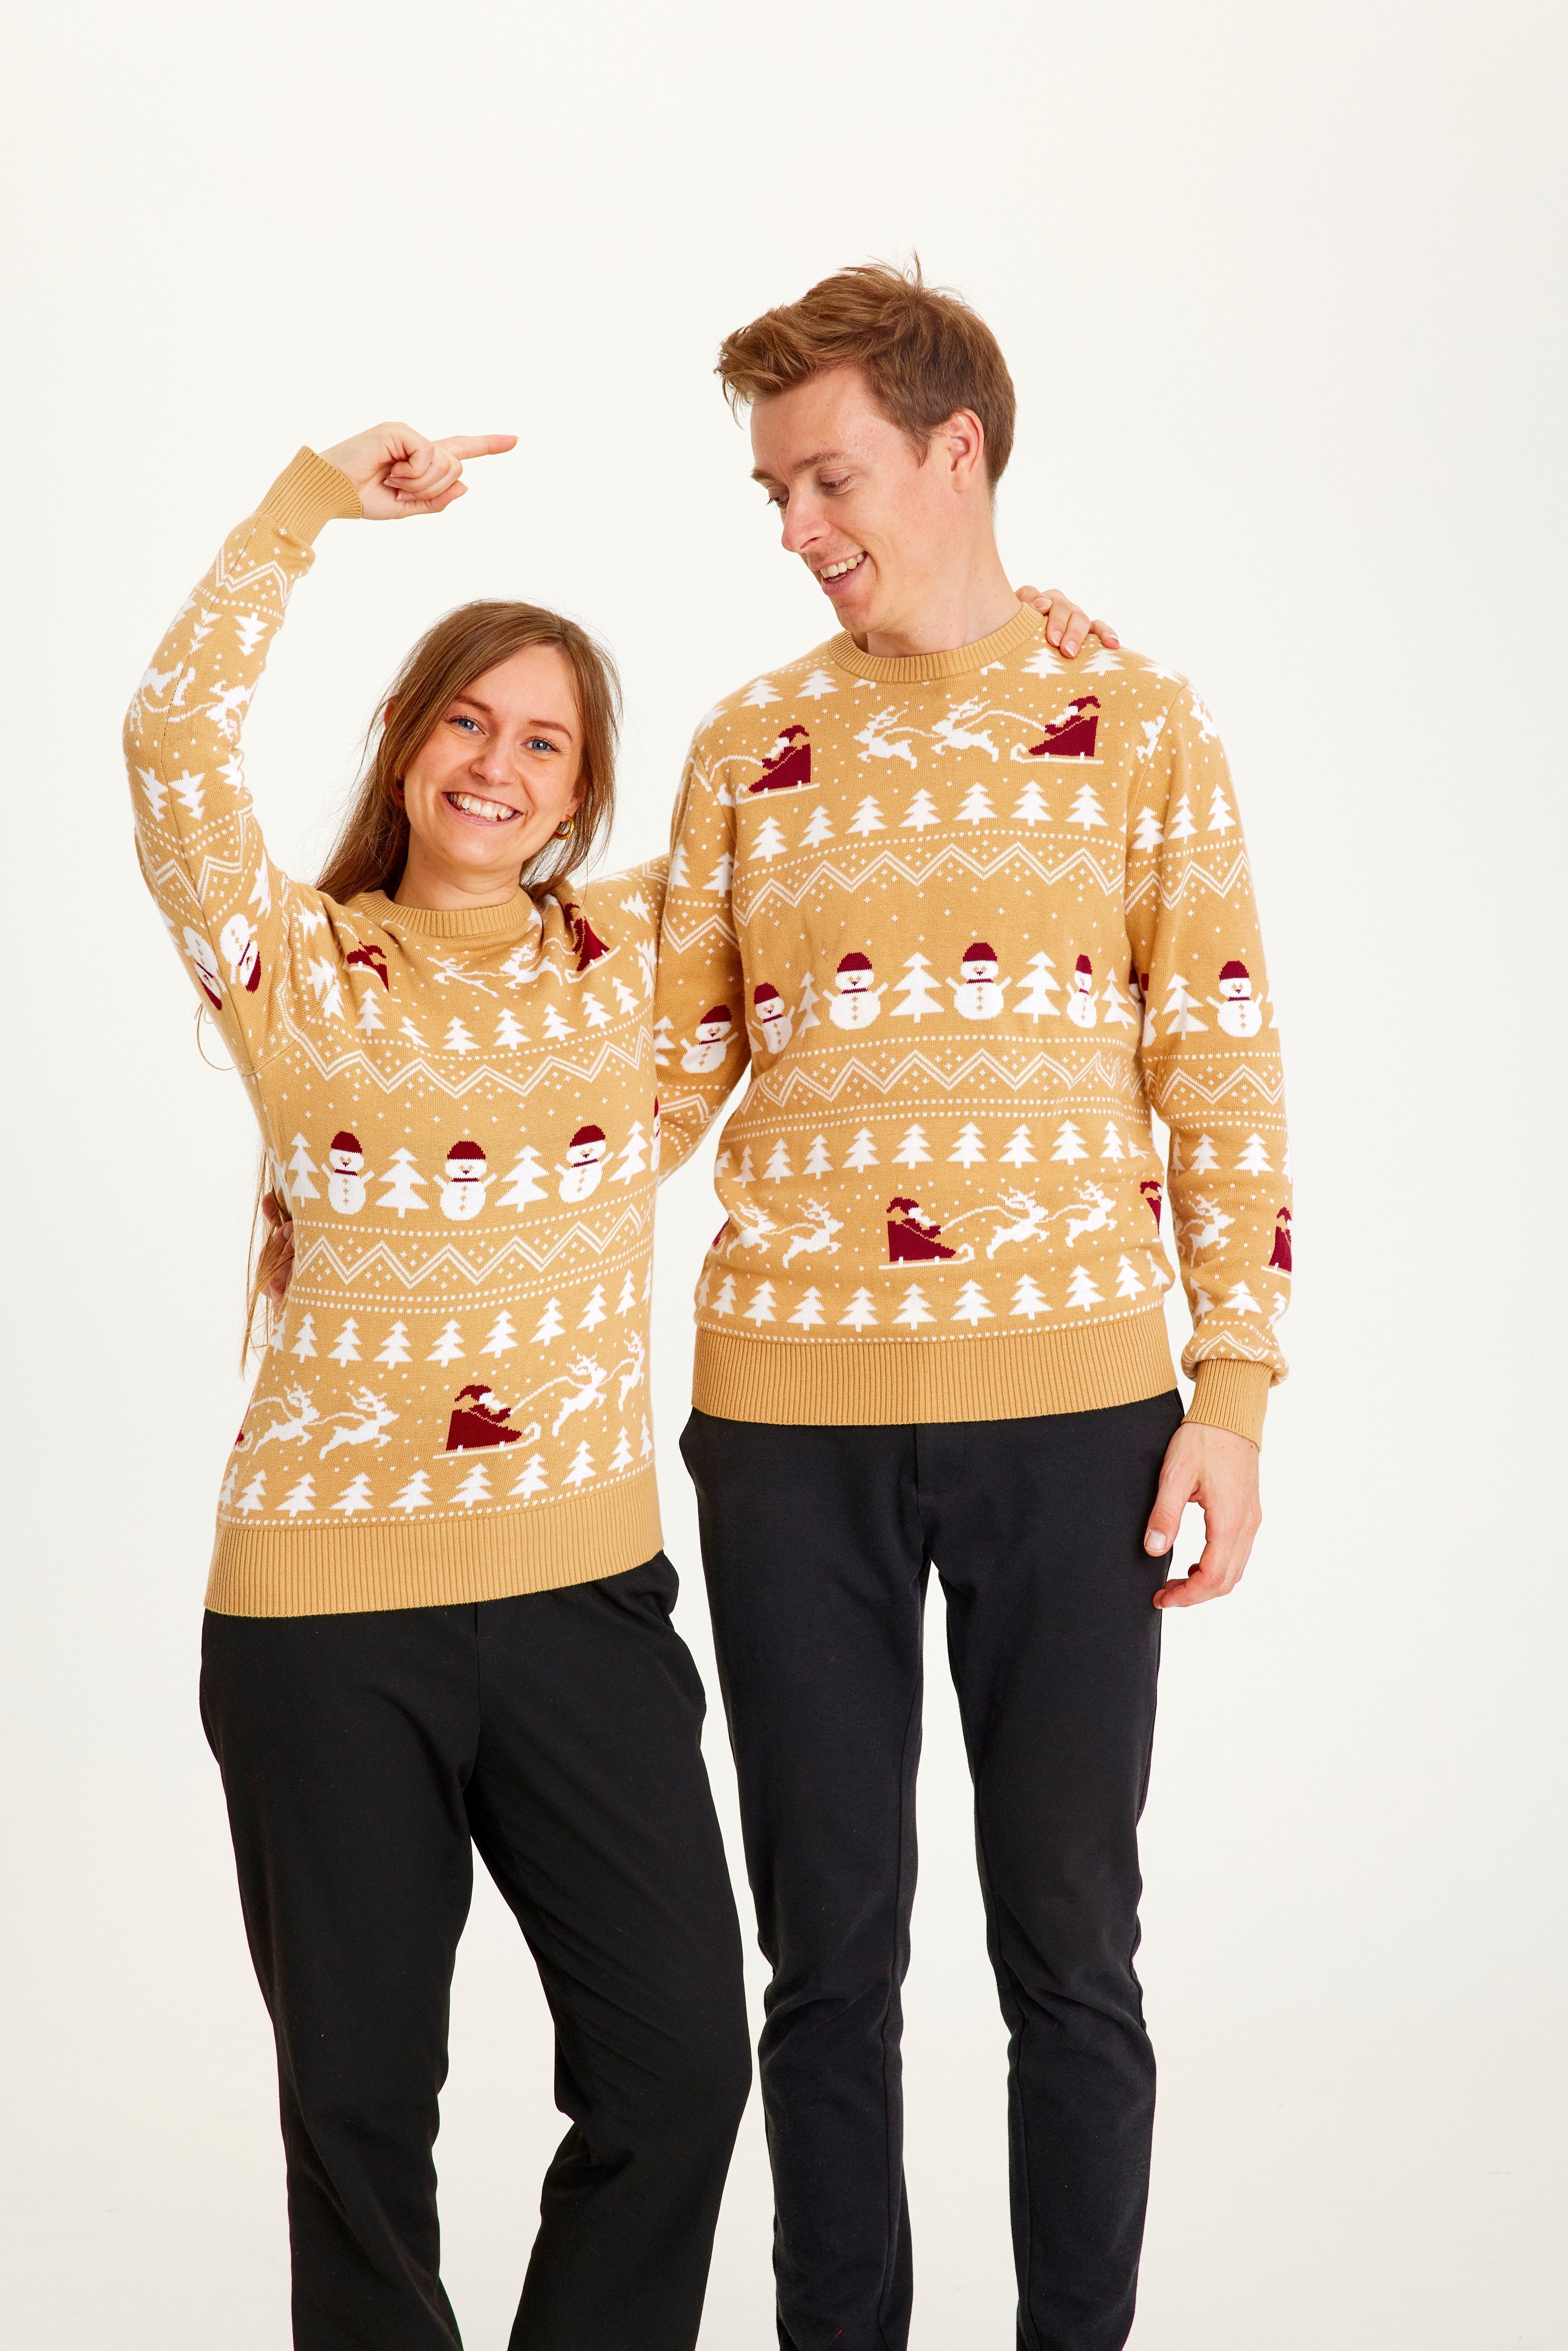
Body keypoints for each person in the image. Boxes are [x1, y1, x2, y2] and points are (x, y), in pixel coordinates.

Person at [654, 263, 1292, 2351]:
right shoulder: (747, 742)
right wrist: (396, 1093)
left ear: (956, 450)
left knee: (1070, 1955)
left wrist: (1232, 1392)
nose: (794, 525)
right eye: (770, 491)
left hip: (1077, 1417)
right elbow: (656, 1071)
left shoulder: (1139, 725)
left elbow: (1217, 1064)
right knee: (824, 1964)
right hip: (786, 1426)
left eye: (825, 477)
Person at [124, 424, 755, 2351]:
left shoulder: (639, 954)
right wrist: (303, 508)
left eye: (545, 741)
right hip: (322, 1621)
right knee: (357, 2119)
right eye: (468, 720)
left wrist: (1002, 652)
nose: (499, 762)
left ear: (583, 792)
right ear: (407, 740)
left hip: (583, 1600)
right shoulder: (296, 965)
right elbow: (171, 747)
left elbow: (830, 828)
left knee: (679, 2064)